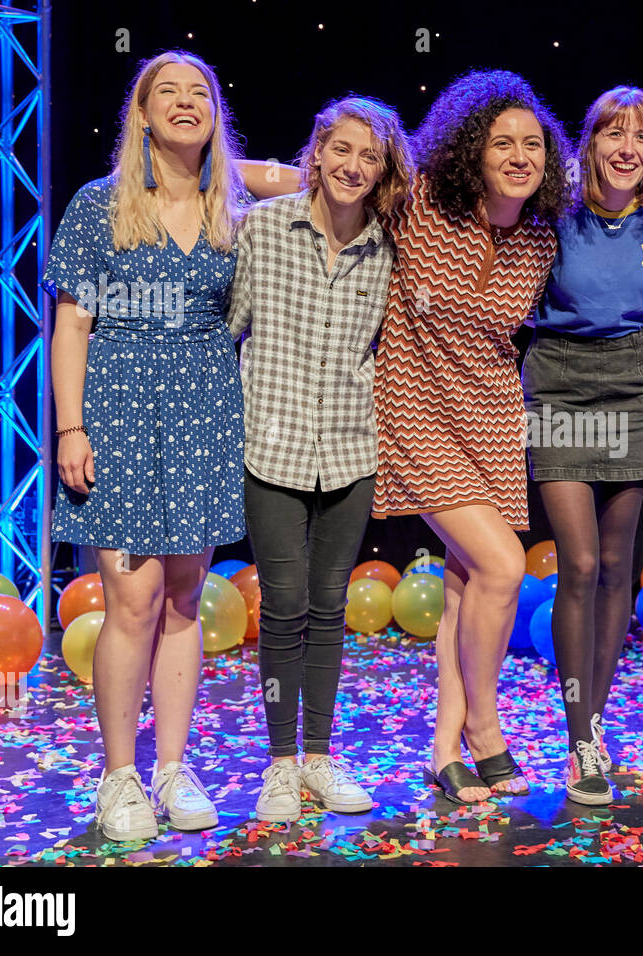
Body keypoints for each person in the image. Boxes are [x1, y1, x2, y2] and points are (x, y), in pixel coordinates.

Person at [44, 50, 246, 841]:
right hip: (121, 407)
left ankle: (171, 766)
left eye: (201, 92)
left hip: (205, 405)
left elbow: (310, 182)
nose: (187, 102)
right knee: (132, 599)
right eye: (170, 91)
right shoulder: (100, 206)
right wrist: (70, 425)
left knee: (186, 597)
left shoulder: (231, 209)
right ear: (142, 113)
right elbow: (72, 325)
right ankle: (119, 777)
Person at [373, 72, 570, 804]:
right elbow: (327, 171)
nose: (520, 156)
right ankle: (488, 727)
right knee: (502, 563)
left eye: (533, 144)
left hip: (490, 413)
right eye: (502, 144)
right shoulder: (421, 203)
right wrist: (218, 174)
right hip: (414, 407)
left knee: (465, 588)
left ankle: (445, 748)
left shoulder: (541, 234)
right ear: (469, 152)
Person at [228, 97, 411, 822]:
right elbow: (229, 327)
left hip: (349, 450)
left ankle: (319, 757)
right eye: (342, 150)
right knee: (284, 605)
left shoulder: (390, 248)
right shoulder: (265, 229)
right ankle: (278, 765)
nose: (354, 166)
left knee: (330, 608)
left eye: (370, 156)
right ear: (317, 151)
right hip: (270, 447)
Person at [523, 86, 643, 805]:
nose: (628, 147)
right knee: (581, 562)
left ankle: (593, 726)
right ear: (587, 142)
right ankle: (576, 729)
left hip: (631, 383)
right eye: (613, 133)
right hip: (557, 381)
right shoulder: (551, 205)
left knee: (620, 565)